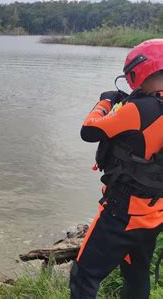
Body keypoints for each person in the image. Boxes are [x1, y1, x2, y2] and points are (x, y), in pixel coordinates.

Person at [70, 39, 163, 298]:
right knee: (136, 274)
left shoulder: (138, 109)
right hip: (155, 212)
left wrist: (106, 101)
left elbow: (89, 130)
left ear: (139, 72)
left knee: (84, 274)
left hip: (122, 212)